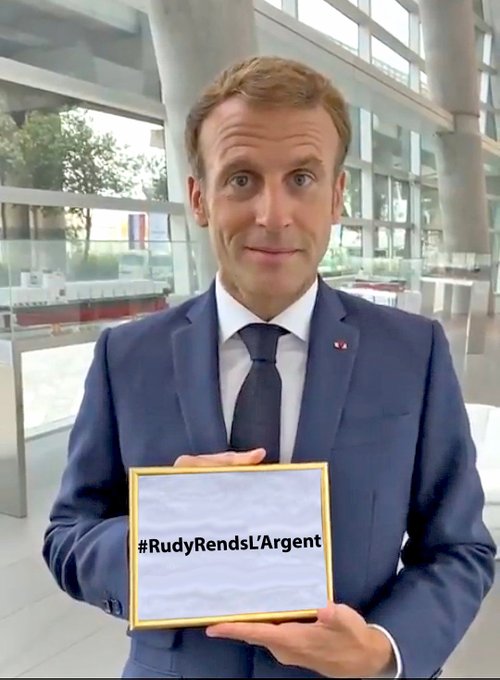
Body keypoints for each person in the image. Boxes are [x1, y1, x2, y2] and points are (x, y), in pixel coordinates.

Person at [42, 56, 496, 679]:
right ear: (199, 198)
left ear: (337, 196)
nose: (274, 215)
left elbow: (459, 547)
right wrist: (158, 539)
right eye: (241, 179)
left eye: (302, 178)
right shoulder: (128, 356)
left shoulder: (411, 354)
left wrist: (382, 648)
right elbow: (69, 533)